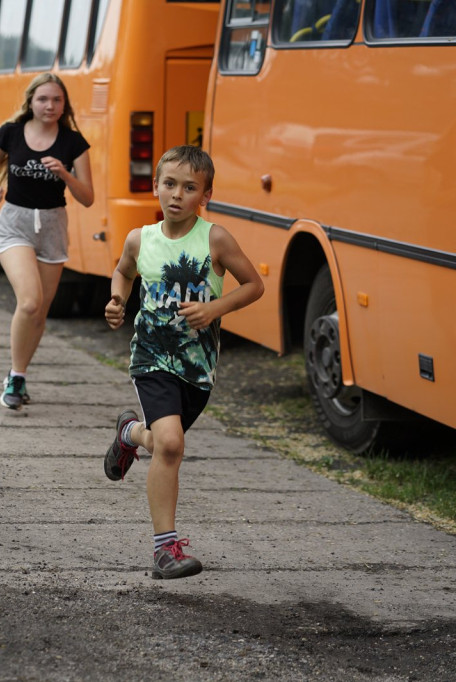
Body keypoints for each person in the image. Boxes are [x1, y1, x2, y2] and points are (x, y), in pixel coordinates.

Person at [102, 145, 264, 579]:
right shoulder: (140, 238)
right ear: (155, 186)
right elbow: (123, 272)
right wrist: (117, 300)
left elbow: (254, 285)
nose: (177, 194)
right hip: (151, 357)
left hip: (197, 367)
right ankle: (165, 549)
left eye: (189, 188)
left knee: (162, 443)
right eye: (169, 184)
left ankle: (129, 433)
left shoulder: (216, 239)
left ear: (205, 195)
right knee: (172, 444)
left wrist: (214, 309)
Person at [0, 72, 94, 410]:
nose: (50, 105)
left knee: (40, 311)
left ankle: (19, 374)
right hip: (15, 223)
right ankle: (15, 377)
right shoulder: (11, 132)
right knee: (30, 302)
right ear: (31, 101)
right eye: (43, 99)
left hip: (53, 226)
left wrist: (64, 173)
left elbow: (87, 197)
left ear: (64, 105)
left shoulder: (74, 143)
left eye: (57, 100)